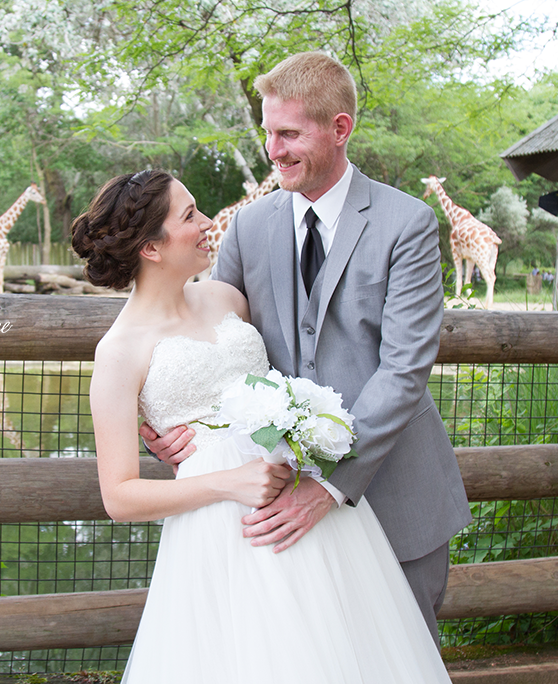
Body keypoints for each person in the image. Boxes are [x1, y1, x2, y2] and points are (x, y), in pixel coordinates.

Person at [141, 51, 472, 644]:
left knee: (400, 660)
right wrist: (169, 418)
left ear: (340, 128)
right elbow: (207, 336)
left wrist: (328, 485)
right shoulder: (248, 227)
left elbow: (404, 371)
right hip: (272, 496)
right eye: (268, 132)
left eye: (290, 133)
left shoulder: (409, 224)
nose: (274, 149)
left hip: (393, 493)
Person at [72, 169, 454, 682]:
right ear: (151, 248)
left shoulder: (225, 300)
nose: (208, 223)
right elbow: (118, 497)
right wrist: (222, 475)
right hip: (221, 526)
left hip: (306, 497)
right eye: (189, 216)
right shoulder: (119, 353)